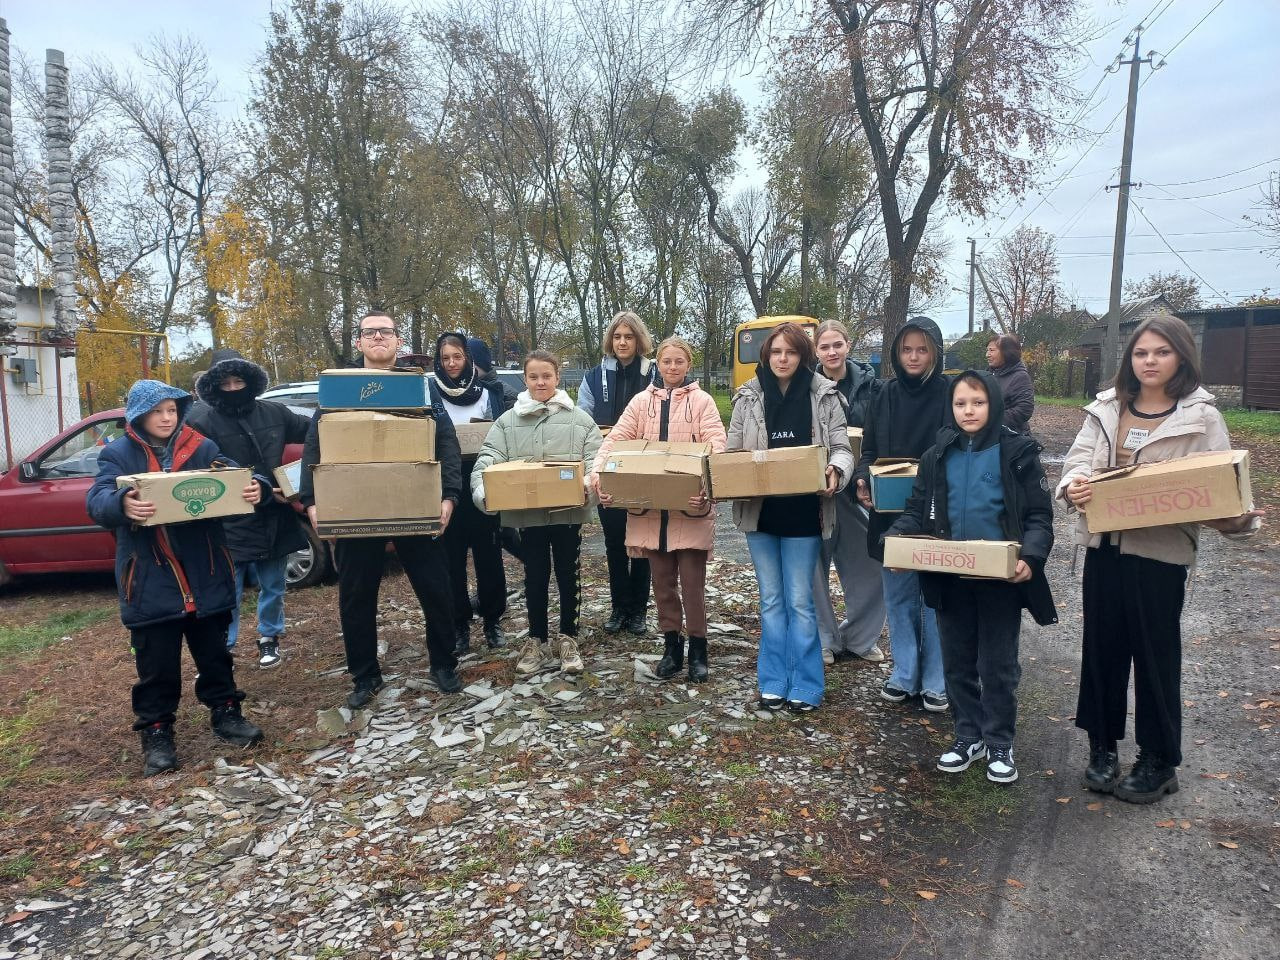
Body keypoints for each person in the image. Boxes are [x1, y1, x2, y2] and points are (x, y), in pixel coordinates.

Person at [1059, 316, 1260, 804]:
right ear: (1129, 358)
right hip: (1105, 547)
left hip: (1160, 554)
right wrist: (1075, 485)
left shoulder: (1202, 416)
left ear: (1182, 357)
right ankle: (1102, 748)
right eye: (1141, 352)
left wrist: (1236, 517)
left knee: (1155, 655)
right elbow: (1075, 461)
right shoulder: (1106, 408)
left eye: (1161, 352)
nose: (1149, 361)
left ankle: (1158, 759)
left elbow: (1220, 481)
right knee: (1102, 653)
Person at [87, 380, 267, 777]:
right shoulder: (117, 455)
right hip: (150, 579)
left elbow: (233, 477)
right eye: (157, 411)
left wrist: (259, 488)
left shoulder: (200, 447)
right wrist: (122, 504)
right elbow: (97, 500)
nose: (166, 418)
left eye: (171, 410)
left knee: (215, 654)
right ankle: (156, 732)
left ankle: (226, 713)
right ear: (139, 415)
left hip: (205, 571)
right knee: (157, 666)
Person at [887, 371, 1057, 784]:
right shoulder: (936, 455)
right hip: (949, 578)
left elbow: (1038, 516)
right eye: (961, 403)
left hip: (1000, 580)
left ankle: (999, 740)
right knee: (958, 661)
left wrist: (1031, 558)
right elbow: (916, 510)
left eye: (977, 402)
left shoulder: (1017, 452)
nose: (968, 410)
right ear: (951, 407)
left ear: (993, 404)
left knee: (997, 663)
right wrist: (897, 539)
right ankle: (968, 735)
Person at [298, 311, 465, 709]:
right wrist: (312, 501)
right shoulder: (340, 388)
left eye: (385, 332)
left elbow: (445, 442)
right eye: (370, 332)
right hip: (356, 508)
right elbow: (313, 445)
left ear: (397, 341)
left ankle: (444, 665)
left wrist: (450, 496)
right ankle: (364, 676)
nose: (378, 337)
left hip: (412, 501)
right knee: (356, 596)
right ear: (359, 343)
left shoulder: (421, 388)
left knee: (436, 590)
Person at [728, 321, 854, 713]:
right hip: (761, 515)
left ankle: (806, 684)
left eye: (792, 352)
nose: (783, 359)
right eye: (776, 352)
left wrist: (835, 470)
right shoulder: (747, 398)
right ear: (767, 355)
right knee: (770, 600)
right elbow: (731, 454)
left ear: (804, 355)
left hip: (805, 514)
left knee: (800, 601)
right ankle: (773, 681)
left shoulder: (824, 396)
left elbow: (842, 447)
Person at [591, 336, 728, 682]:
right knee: (663, 584)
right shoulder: (641, 402)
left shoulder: (702, 402)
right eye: (666, 361)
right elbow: (614, 441)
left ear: (688, 364)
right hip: (651, 513)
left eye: (679, 362)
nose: (672, 368)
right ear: (658, 364)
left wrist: (708, 489)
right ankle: (672, 647)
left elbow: (717, 447)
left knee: (693, 585)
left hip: (690, 510)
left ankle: (699, 649)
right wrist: (599, 478)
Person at [472, 350, 603, 676]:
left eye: (547, 376)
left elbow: (597, 461)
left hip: (567, 516)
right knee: (535, 577)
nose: (540, 382)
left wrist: (587, 486)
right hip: (528, 517)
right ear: (525, 380)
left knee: (568, 574)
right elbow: (488, 458)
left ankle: (568, 638)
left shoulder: (579, 421)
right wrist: (484, 492)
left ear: (557, 377)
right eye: (533, 377)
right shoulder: (508, 421)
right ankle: (537, 639)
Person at [188, 348, 313, 668]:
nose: (232, 389)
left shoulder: (274, 412)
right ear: (214, 386)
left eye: (238, 381)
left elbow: (315, 432)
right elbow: (197, 470)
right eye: (225, 383)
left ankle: (268, 638)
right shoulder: (199, 420)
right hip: (227, 520)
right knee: (226, 590)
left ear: (250, 381)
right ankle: (223, 646)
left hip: (275, 514)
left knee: (273, 584)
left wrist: (302, 479)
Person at [854, 316, 952, 712]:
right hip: (890, 509)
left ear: (935, 353)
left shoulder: (950, 392)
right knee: (898, 593)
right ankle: (904, 672)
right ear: (896, 353)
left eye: (922, 349)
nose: (914, 356)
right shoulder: (885, 393)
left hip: (936, 510)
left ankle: (936, 678)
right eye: (907, 349)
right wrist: (863, 479)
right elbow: (871, 450)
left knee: (934, 597)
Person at [429, 332, 513, 654]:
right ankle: (460, 623)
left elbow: (506, 429)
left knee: (489, 555)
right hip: (446, 485)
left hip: (483, 479)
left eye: (457, 357)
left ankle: (493, 620)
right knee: (451, 559)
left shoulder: (489, 391)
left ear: (468, 359)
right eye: (446, 357)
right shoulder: (431, 393)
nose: (451, 363)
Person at [577, 310, 660, 634]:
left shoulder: (653, 373)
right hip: (607, 465)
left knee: (641, 541)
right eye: (617, 336)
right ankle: (619, 608)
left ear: (639, 340)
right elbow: (584, 419)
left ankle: (638, 610)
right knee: (614, 541)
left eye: (628, 336)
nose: (622, 342)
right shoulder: (594, 375)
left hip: (642, 467)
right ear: (610, 340)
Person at [812, 320, 886, 667]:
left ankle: (859, 638)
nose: (831, 352)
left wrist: (861, 477)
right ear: (816, 351)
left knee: (869, 563)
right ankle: (824, 639)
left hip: (855, 489)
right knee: (813, 566)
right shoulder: (806, 386)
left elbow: (875, 439)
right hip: (816, 489)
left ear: (847, 344)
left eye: (837, 345)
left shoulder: (872, 387)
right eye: (824, 346)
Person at [986, 334, 1035, 434]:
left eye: (992, 350)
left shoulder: (1019, 376)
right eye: (987, 350)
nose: (987, 354)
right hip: (989, 434)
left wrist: (992, 420)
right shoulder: (988, 374)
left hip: (1010, 437)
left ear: (1006, 352)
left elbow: (1024, 409)